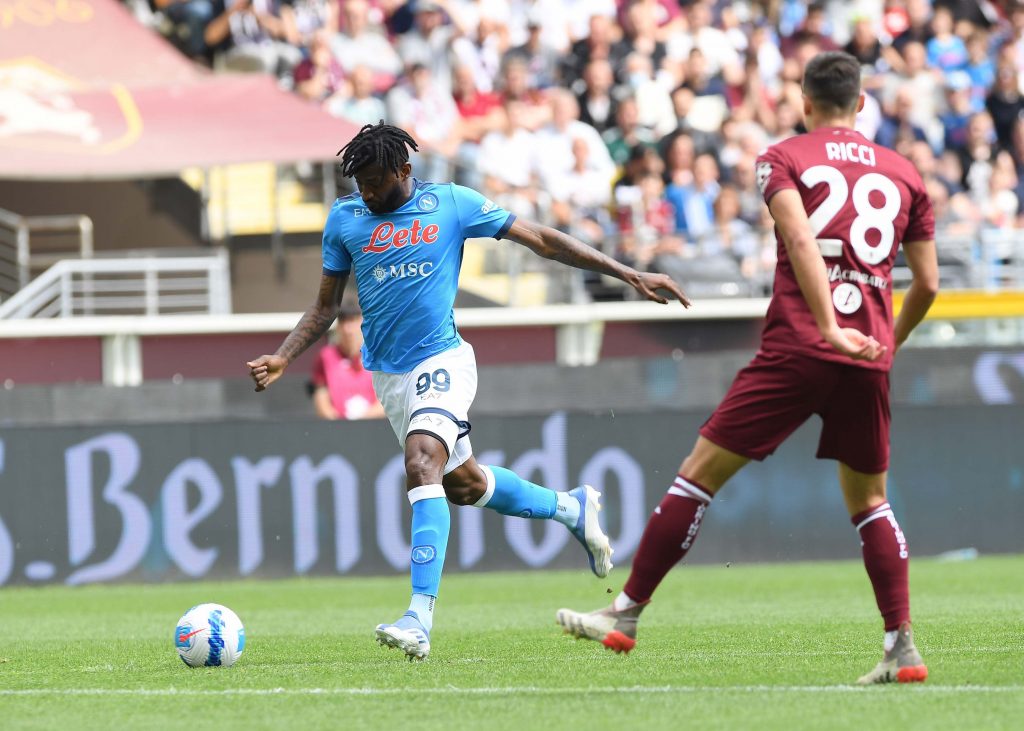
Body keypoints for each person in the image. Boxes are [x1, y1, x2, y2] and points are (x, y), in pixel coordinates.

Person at [555, 51, 940, 686]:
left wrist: (824, 326)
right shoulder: (905, 173)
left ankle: (625, 614)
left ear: (805, 103)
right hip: (867, 354)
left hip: (799, 345)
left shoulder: (783, 157)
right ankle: (901, 645)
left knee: (698, 476)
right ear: (862, 104)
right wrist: (883, 341)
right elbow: (927, 281)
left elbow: (798, 240)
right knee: (870, 501)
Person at [246, 121, 689, 661]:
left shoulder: (451, 203)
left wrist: (627, 273)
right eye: (358, 182)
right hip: (388, 377)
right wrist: (284, 356)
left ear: (405, 170)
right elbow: (325, 307)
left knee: (421, 461)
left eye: (375, 181)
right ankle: (570, 508)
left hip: (443, 359)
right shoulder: (345, 219)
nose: (366, 192)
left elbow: (544, 240)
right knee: (463, 484)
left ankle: (418, 617)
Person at [310, 302, 384, 421]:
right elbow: (320, 395)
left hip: (374, 427)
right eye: (343, 322)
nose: (347, 329)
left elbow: (387, 399)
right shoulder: (326, 356)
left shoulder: (378, 355)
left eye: (353, 321)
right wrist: (341, 425)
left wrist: (361, 420)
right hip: (339, 430)